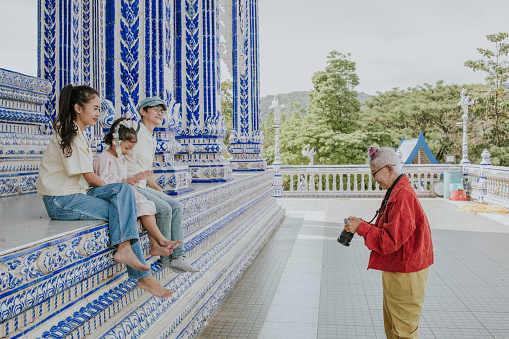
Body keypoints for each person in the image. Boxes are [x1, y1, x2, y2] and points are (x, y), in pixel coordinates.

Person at [36, 84, 173, 298]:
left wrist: (120, 191)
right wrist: (118, 191)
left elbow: (91, 180)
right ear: (78, 108)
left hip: (77, 195)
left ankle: (126, 251)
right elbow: (91, 178)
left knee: (124, 195)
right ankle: (140, 271)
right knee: (122, 200)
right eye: (95, 108)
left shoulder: (78, 133)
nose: (98, 114)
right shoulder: (69, 134)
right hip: (61, 201)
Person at [344, 146, 434, 339]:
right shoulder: (396, 190)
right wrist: (362, 224)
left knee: (403, 332)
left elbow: (389, 241)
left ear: (389, 169)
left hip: (406, 272)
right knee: (394, 328)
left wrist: (361, 228)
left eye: (375, 174)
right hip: (398, 268)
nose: (375, 180)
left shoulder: (403, 196)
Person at [125, 97, 199, 273]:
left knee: (175, 205)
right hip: (129, 184)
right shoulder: (133, 131)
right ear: (143, 112)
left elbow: (148, 173)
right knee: (164, 208)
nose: (160, 113)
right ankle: (166, 256)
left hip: (142, 185)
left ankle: (179, 256)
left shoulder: (152, 138)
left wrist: (162, 192)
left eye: (162, 111)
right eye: (155, 109)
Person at [94, 117, 182, 257]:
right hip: (115, 195)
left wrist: (137, 177)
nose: (128, 152)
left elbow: (122, 176)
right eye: (127, 147)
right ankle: (161, 240)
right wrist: (129, 179)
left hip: (126, 192)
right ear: (114, 142)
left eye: (131, 149)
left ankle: (155, 246)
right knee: (143, 206)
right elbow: (105, 181)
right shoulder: (104, 157)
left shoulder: (120, 159)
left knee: (148, 205)